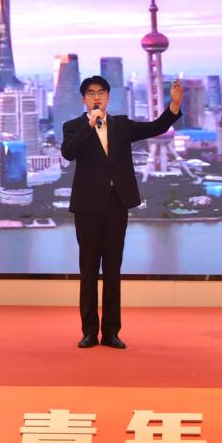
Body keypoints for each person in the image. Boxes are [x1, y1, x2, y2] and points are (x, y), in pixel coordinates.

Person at [62, 75, 183, 349]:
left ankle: (111, 332)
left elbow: (156, 127)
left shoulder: (122, 126)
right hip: (87, 207)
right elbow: (69, 153)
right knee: (88, 271)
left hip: (117, 204)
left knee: (113, 270)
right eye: (91, 93)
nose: (96, 97)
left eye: (101, 92)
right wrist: (89, 126)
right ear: (84, 98)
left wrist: (174, 106)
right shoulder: (73, 127)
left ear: (108, 96)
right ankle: (89, 332)